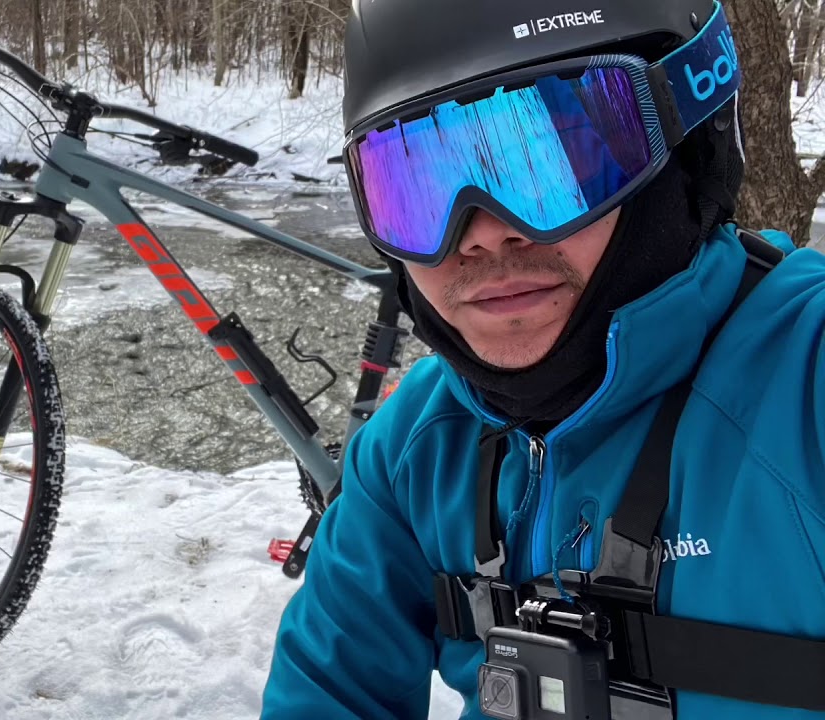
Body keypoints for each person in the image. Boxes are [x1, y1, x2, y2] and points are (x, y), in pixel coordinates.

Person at [262, 0, 825, 718]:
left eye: (546, 161)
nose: (482, 236)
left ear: (685, 150)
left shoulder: (805, 378)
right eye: (419, 186)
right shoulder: (414, 450)